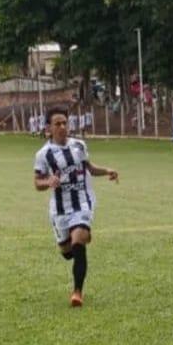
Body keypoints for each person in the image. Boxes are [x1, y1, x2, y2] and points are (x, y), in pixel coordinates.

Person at [33, 108, 119, 307]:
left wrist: (107, 171)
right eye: (58, 124)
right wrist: (48, 182)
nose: (63, 127)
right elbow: (37, 182)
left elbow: (90, 168)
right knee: (67, 252)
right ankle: (78, 236)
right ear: (48, 128)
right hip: (60, 209)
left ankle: (77, 292)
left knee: (78, 239)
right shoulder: (43, 154)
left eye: (65, 123)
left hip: (82, 203)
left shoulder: (79, 145)